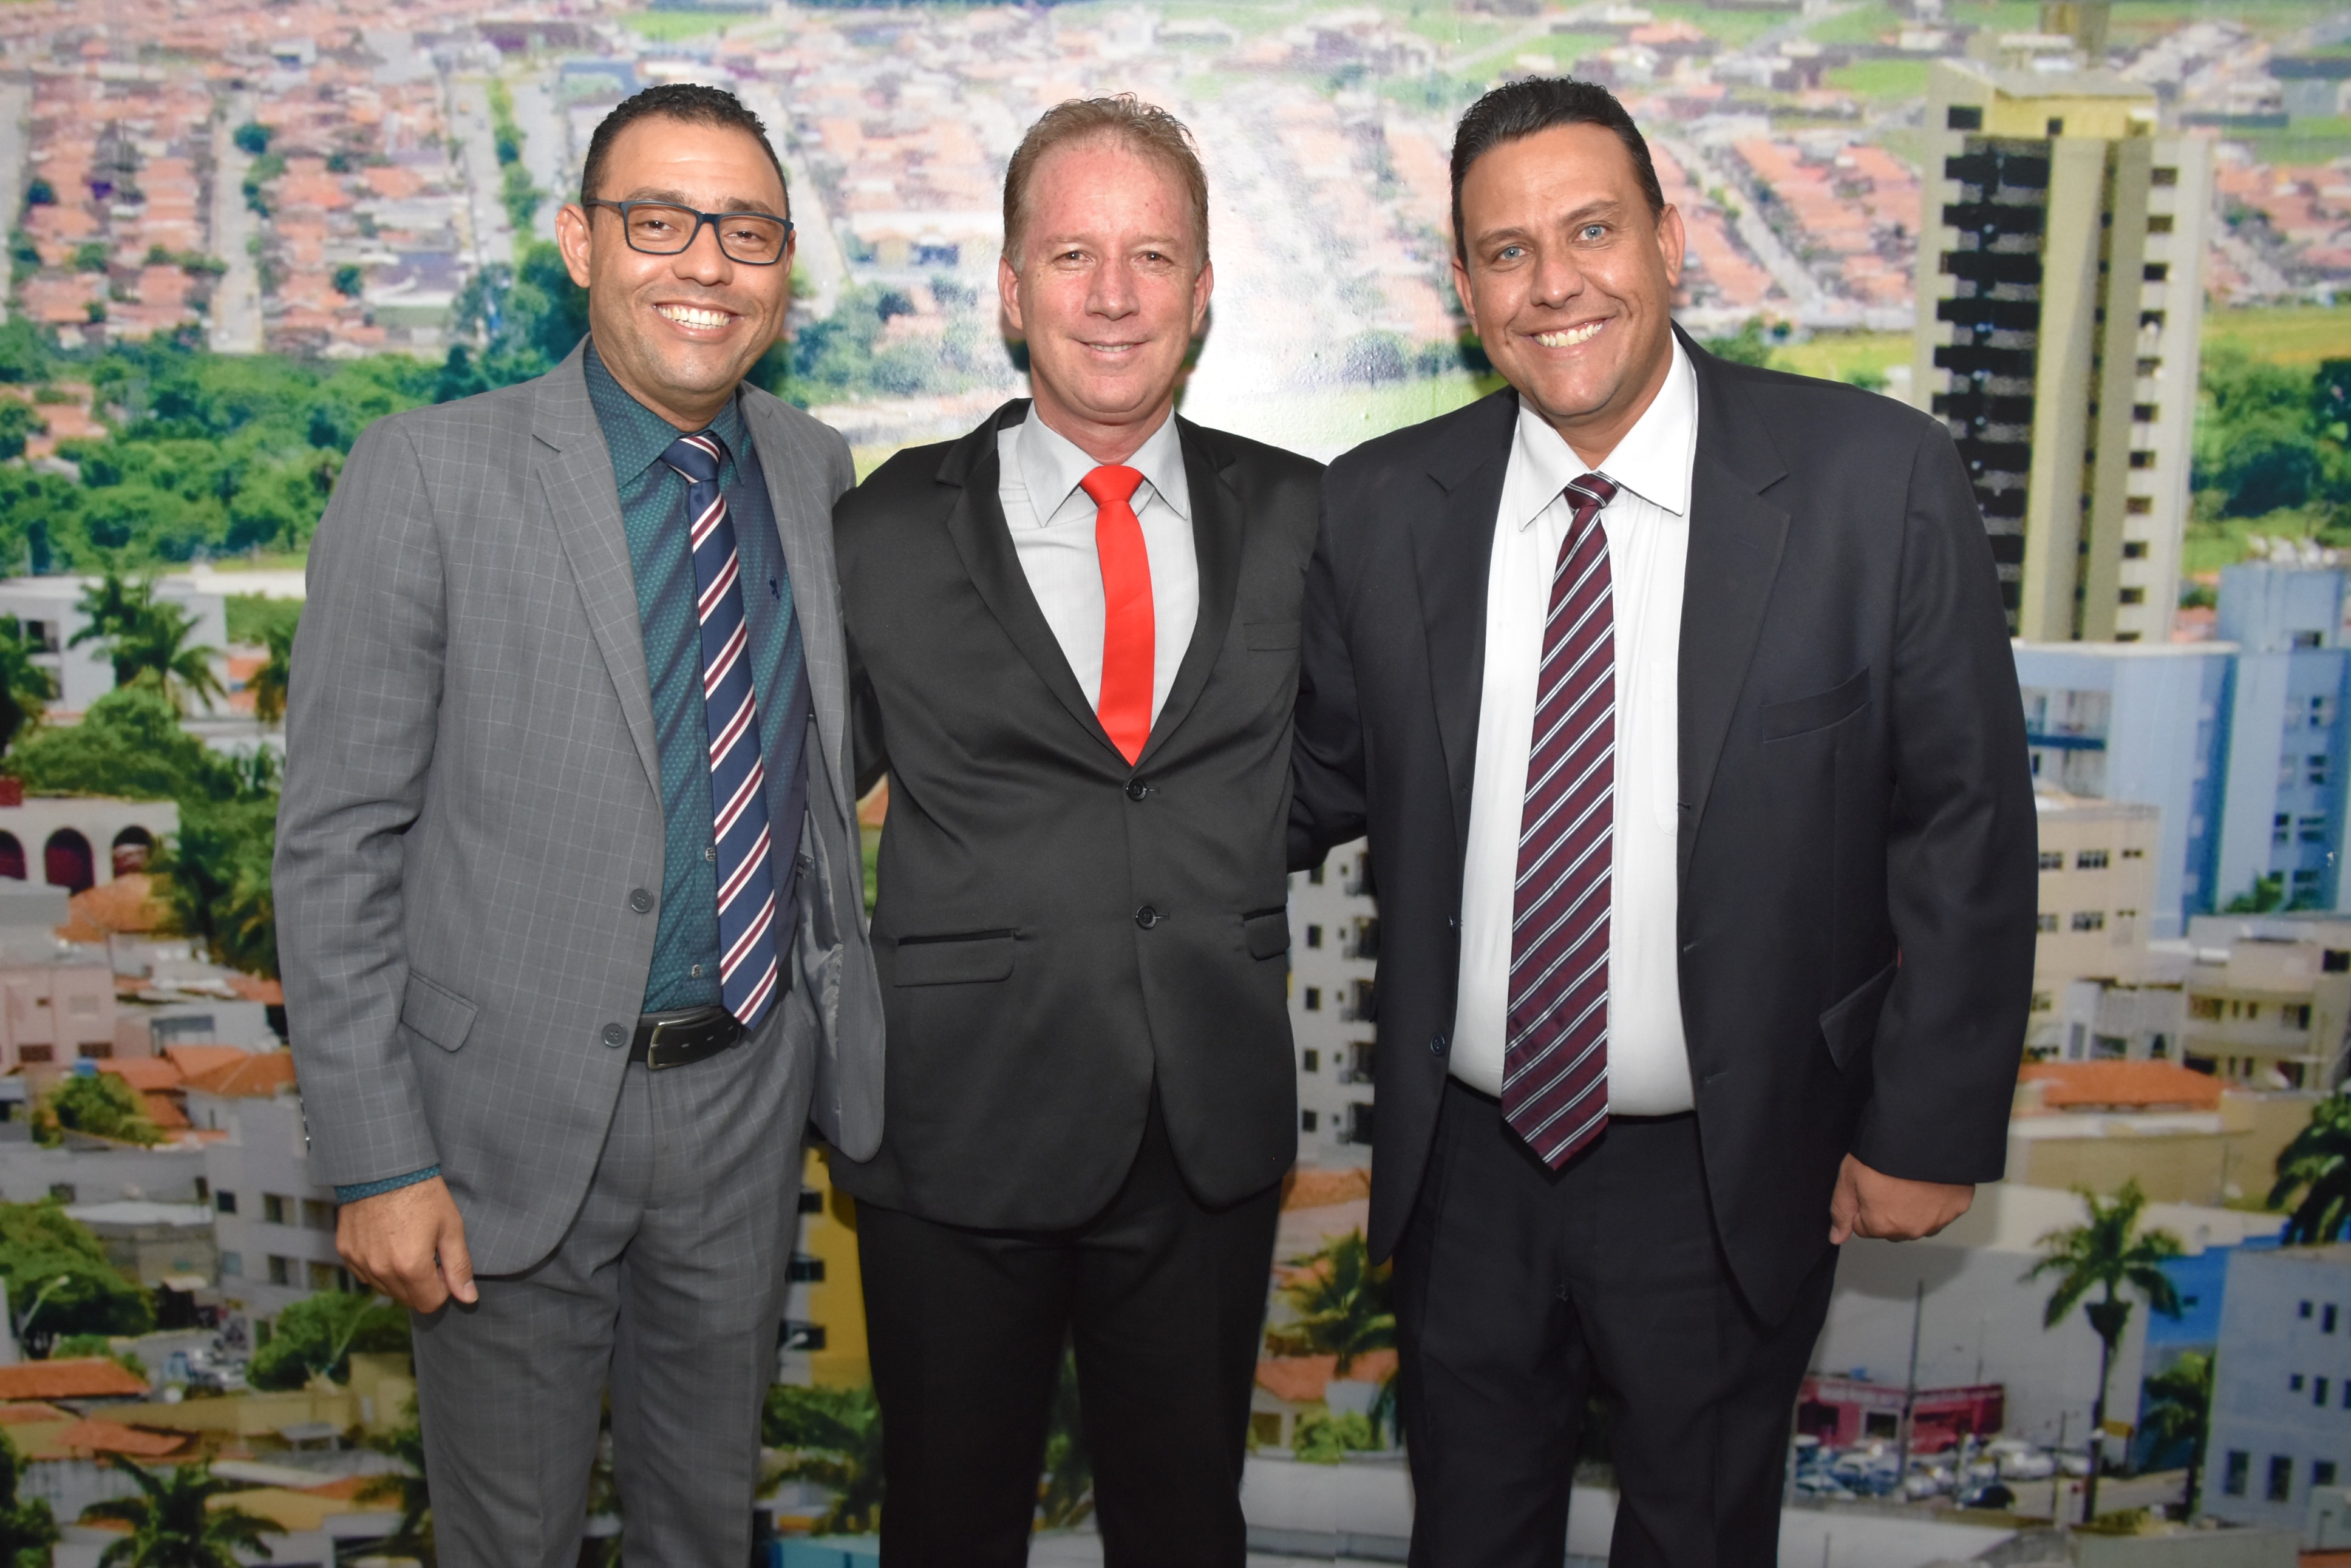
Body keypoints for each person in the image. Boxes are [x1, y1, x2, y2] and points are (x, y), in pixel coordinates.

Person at [1288, 78, 2035, 1566]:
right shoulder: (1379, 508)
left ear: (1669, 240)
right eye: (1505, 251)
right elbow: (1302, 783)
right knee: (1467, 1541)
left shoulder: (1873, 480)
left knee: (1699, 1540)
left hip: (1733, 1165)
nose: (1553, 283)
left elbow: (1963, 820)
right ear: (1464, 289)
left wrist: (1926, 1125)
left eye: (1591, 231)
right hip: (1467, 1169)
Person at [275, 83, 883, 1567]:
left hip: (745, 1100)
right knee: (511, 1542)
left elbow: (813, 766)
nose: (706, 263)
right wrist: (378, 1158)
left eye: (746, 231)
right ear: (580, 242)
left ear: (783, 265)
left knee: (702, 1529)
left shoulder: (814, 468)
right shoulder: (427, 471)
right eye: (658, 221)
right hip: (499, 1123)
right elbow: (337, 843)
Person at [832, 95, 1321, 1566]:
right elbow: (793, 807)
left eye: (1150, 255)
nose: (1112, 295)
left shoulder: (1305, 518)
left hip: (1205, 1126)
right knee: (947, 1528)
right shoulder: (881, 530)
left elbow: (1352, 769)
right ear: (1009, 289)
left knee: (1185, 1531)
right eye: (1071, 255)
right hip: (951, 1131)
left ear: (1201, 290)